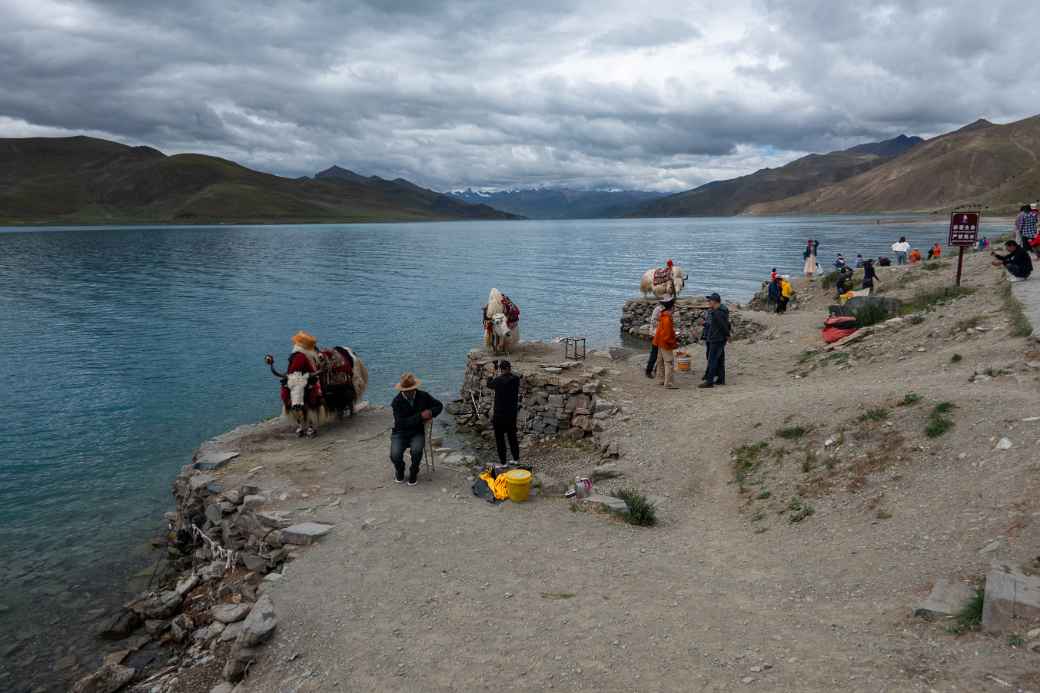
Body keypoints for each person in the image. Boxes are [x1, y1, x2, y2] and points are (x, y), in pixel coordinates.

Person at [390, 372, 443, 485]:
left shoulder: (423, 396)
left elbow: (439, 405)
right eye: (407, 390)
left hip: (417, 432)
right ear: (403, 390)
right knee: (394, 455)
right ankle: (400, 470)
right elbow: (400, 423)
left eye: (411, 389)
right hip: (400, 432)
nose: (409, 392)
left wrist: (430, 412)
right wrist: (420, 416)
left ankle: (414, 472)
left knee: (417, 450)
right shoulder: (396, 402)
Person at [487, 360, 521, 466]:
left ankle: (504, 463)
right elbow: (510, 377)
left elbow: (489, 384)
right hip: (511, 415)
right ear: (509, 368)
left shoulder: (498, 380)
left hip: (499, 415)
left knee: (500, 440)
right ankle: (516, 459)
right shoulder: (516, 379)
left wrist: (492, 373)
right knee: (512, 437)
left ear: (501, 369)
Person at [699, 293, 730, 388]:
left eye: (710, 301)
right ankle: (721, 379)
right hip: (719, 338)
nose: (708, 302)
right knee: (720, 359)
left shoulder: (717, 313)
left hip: (716, 338)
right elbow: (726, 324)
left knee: (712, 359)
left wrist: (727, 335)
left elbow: (723, 326)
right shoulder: (721, 311)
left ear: (714, 301)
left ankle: (709, 382)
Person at [653, 297, 678, 389]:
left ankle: (661, 379)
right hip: (665, 343)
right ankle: (668, 383)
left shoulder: (663, 316)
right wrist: (673, 342)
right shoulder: (667, 319)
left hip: (659, 341)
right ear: (672, 308)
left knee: (660, 361)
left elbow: (661, 331)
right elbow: (667, 335)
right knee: (669, 362)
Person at [644, 300, 664, 378]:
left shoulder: (665, 310)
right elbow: (653, 321)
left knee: (661, 354)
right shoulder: (658, 309)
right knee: (654, 354)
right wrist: (662, 323)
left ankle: (657, 370)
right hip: (656, 333)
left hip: (661, 333)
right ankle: (648, 371)